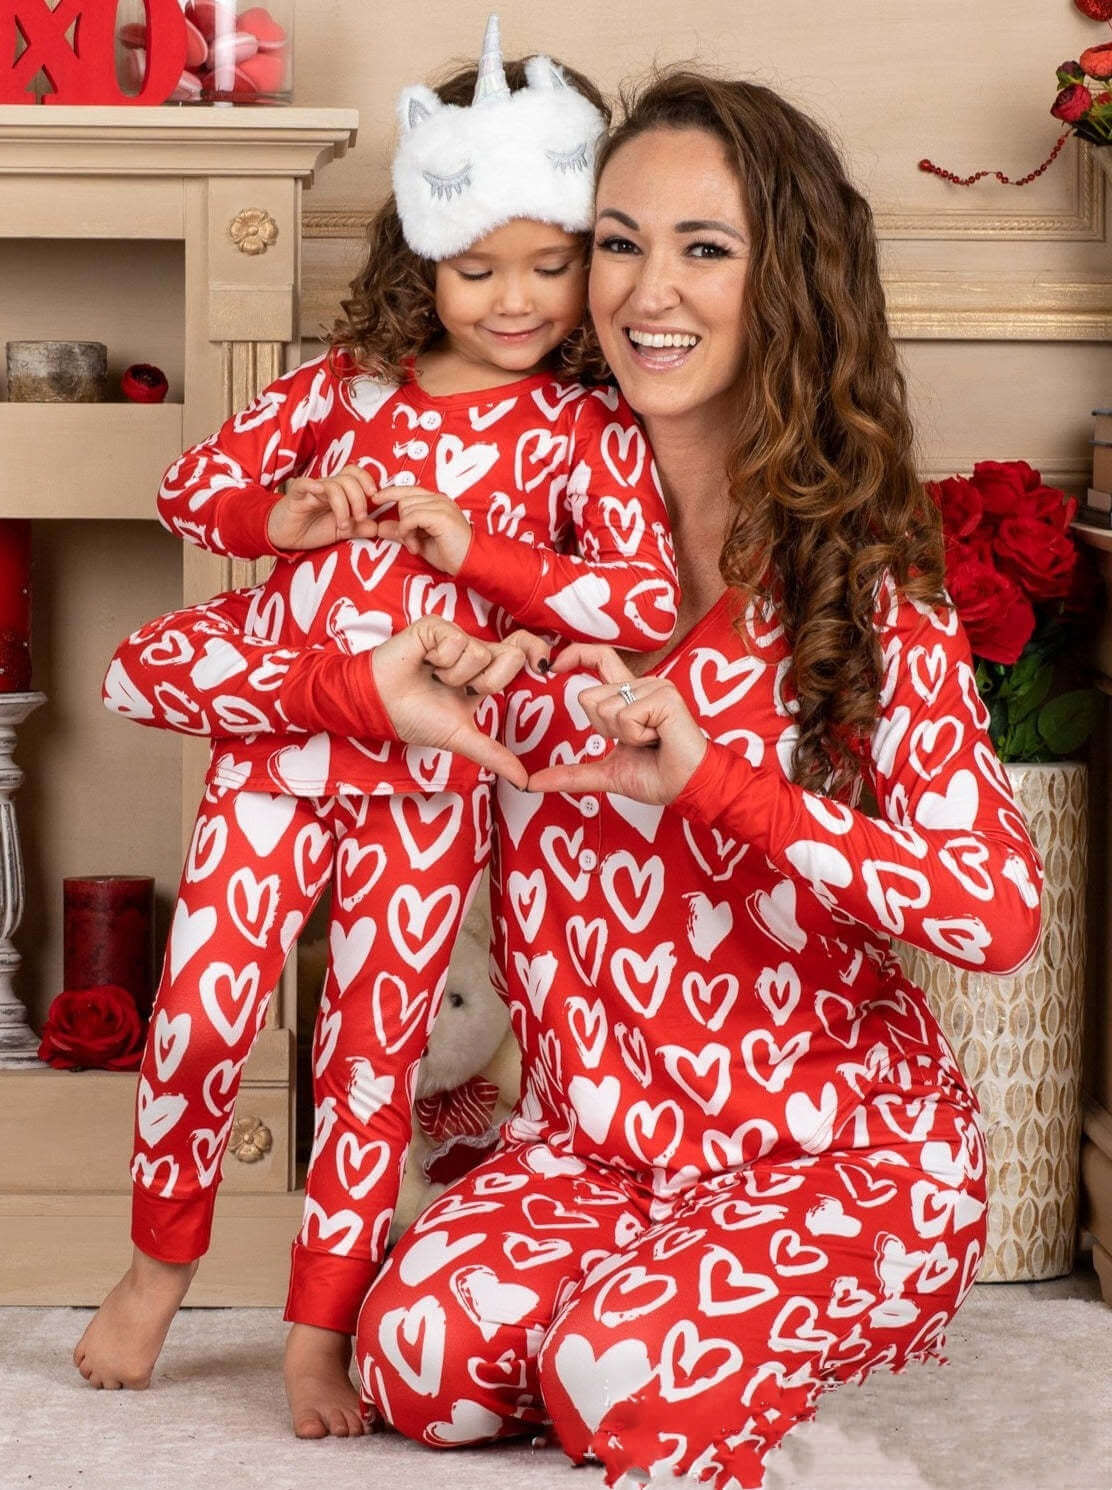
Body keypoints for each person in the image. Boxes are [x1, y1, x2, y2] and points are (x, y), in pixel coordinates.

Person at [85, 68, 1044, 1490]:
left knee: (618, 1372)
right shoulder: (500, 540)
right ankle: (652, 1319)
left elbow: (998, 913)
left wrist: (722, 785)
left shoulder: (862, 586)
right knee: (410, 1357)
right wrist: (361, 690)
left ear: (788, 281)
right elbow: (156, 668)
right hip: (594, 1154)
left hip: (838, 1153)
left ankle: (686, 1340)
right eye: (617, 238)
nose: (647, 287)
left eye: (705, 247)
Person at [72, 17, 679, 1442]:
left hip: (424, 783)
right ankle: (158, 1268)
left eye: (550, 264)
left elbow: (642, 591)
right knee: (204, 1010)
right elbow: (193, 491)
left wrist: (497, 582)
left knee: (372, 1055)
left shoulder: (583, 434)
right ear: (422, 256)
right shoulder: (345, 392)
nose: (517, 301)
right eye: (479, 268)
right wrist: (281, 515)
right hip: (278, 757)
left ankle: (316, 1330)